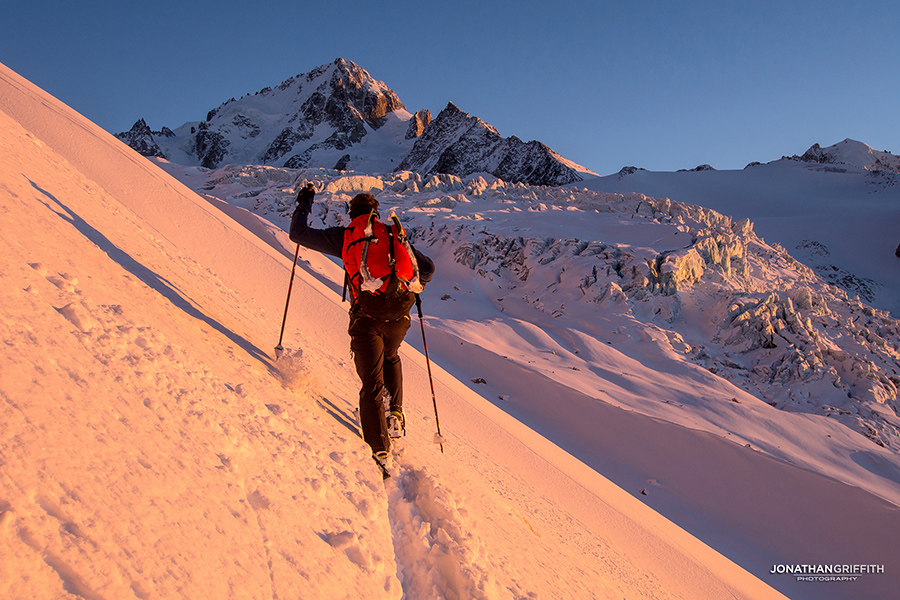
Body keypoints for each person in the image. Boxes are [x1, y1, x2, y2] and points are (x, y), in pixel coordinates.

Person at [289, 183, 435, 477]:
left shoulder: (346, 237)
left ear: (352, 214)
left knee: (371, 384)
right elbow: (428, 269)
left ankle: (380, 451)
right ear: (375, 213)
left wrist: (305, 202)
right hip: (399, 317)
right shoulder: (394, 236)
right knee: (392, 356)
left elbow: (298, 234)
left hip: (366, 317)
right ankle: (395, 414)